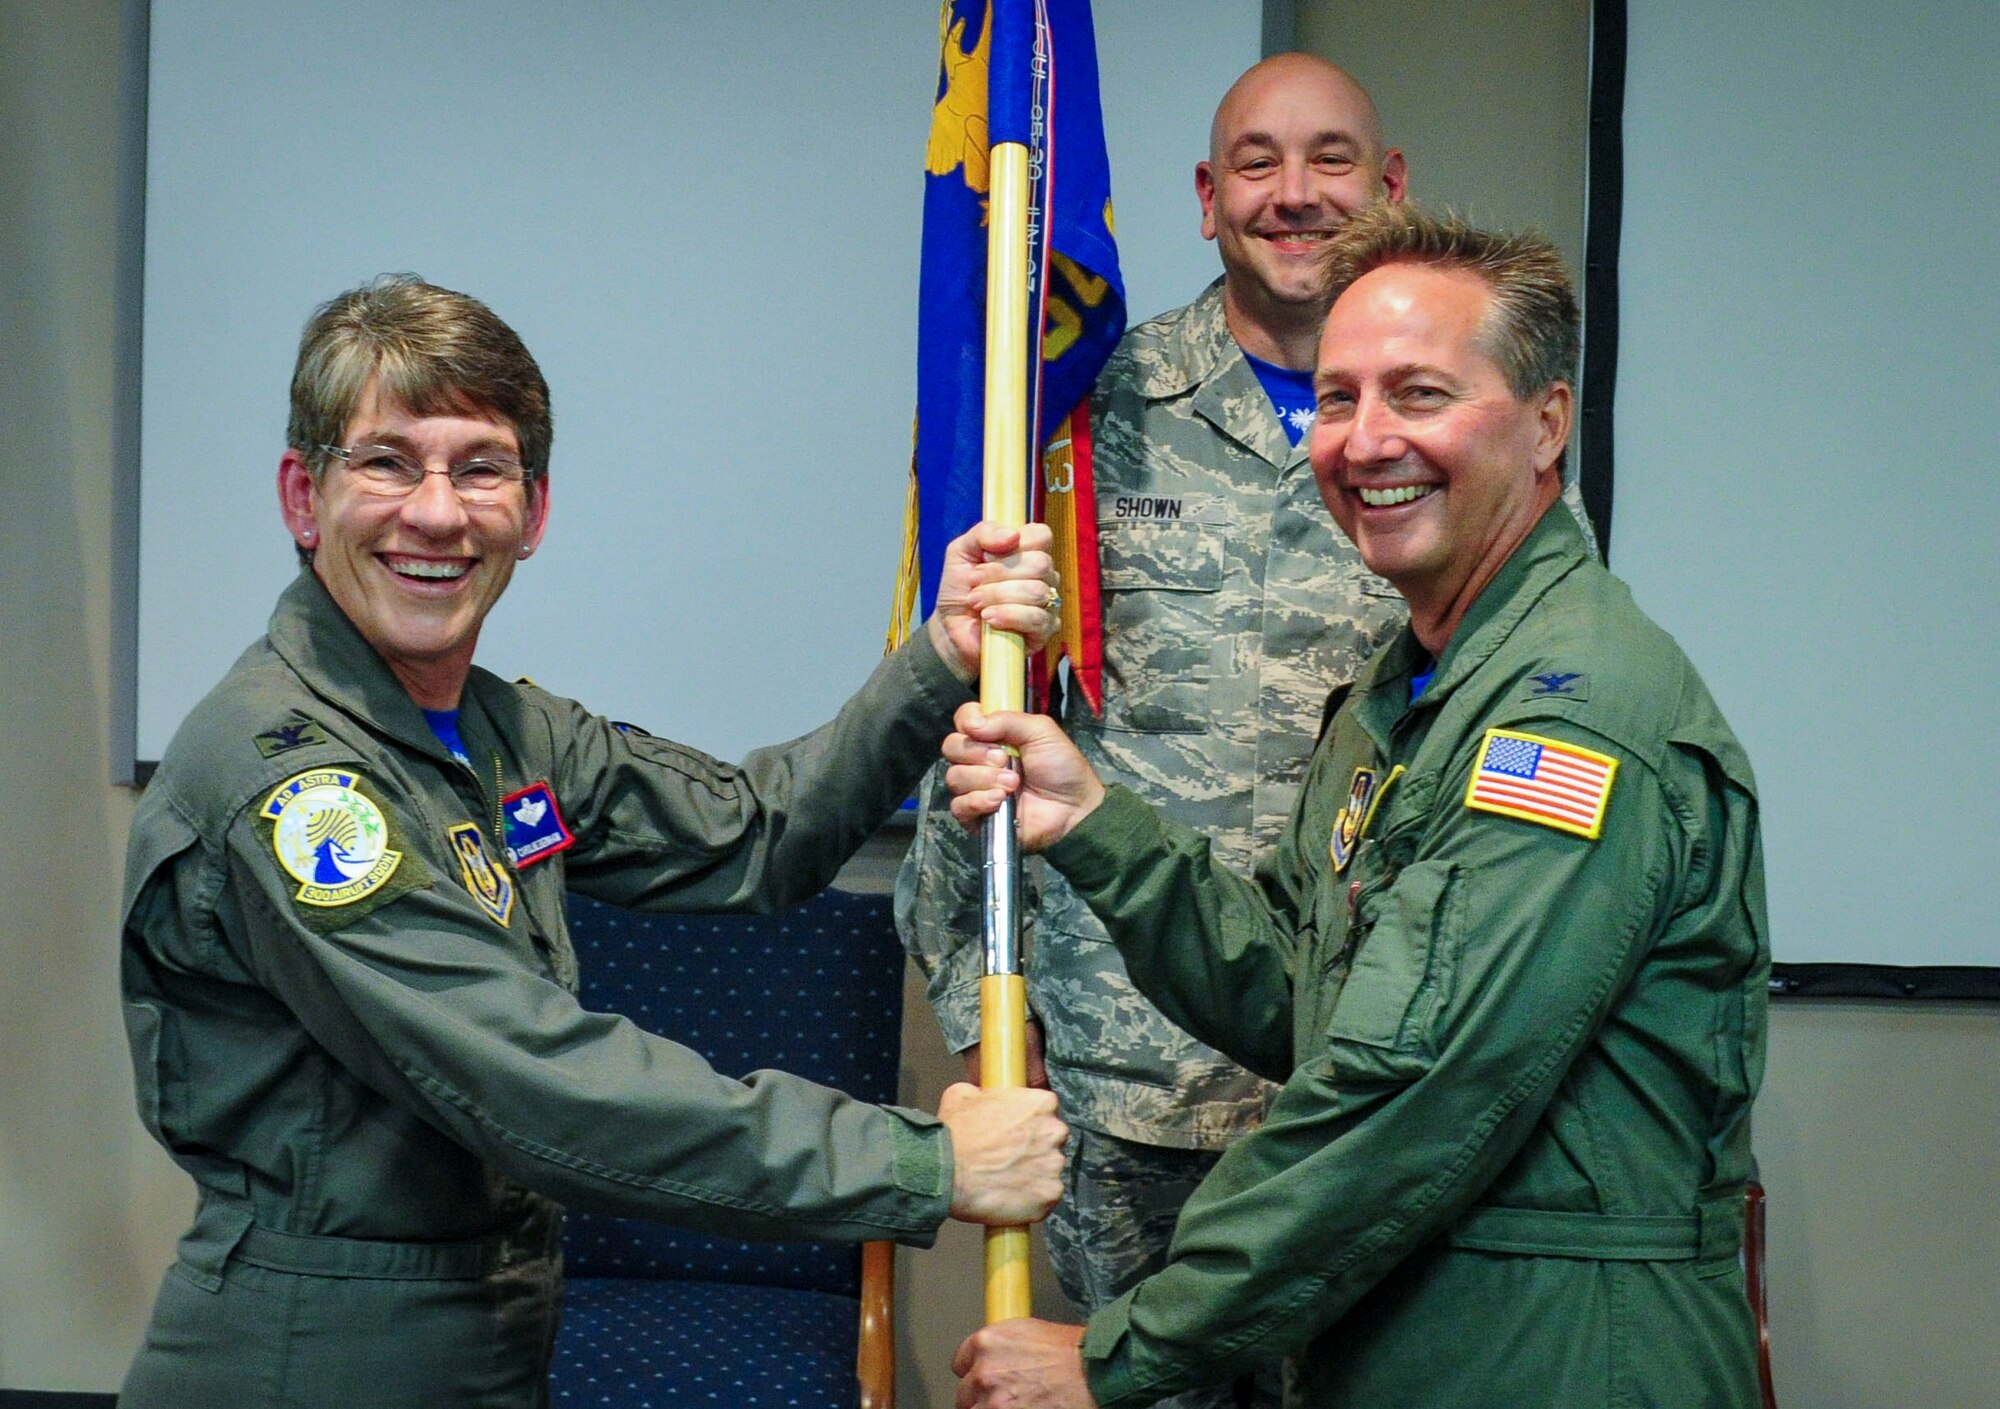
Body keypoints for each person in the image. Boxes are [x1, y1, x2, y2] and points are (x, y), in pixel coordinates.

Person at [117, 275, 1069, 1408]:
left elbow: (755, 832)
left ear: (533, 506)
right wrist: (921, 1162)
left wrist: (939, 657)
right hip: (320, 1351)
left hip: (487, 1326)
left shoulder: (499, 730)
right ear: (302, 496)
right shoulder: (291, 778)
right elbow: (536, 1082)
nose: (436, 510)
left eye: (480, 465)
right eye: (386, 460)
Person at [942, 206, 1768, 1409]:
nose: (1365, 441)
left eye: (1419, 394)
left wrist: (1129, 1349)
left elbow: (1406, 1089)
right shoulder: (1413, 681)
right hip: (1420, 1338)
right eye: (1336, 398)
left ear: (1546, 425)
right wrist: (1094, 826)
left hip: (1556, 1357)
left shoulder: (1568, 716)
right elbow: (1304, 992)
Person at [897, 56, 1409, 1402]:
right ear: (1203, 196)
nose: (1295, 195)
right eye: (1257, 161)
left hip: (1357, 1089)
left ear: (1391, 185)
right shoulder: (1076, 412)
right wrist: (984, 1020)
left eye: (1332, 158)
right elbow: (983, 726)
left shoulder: (1439, 430)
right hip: (1133, 1096)